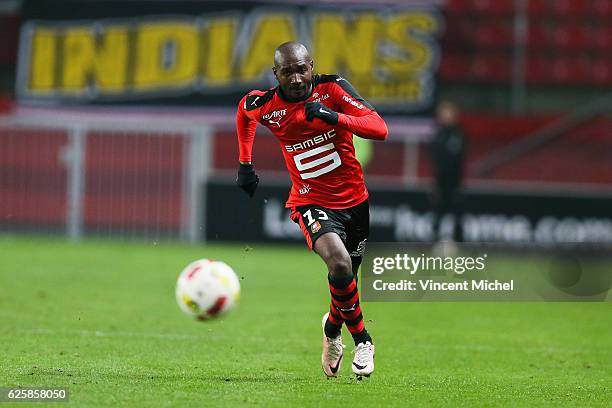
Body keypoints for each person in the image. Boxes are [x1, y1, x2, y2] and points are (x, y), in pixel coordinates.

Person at [235, 41, 388, 378]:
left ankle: (332, 331)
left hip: (355, 201)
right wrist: (245, 164)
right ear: (276, 74)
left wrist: (333, 116)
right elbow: (244, 111)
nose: (296, 78)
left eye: (301, 69)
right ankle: (363, 340)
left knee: (345, 279)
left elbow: (380, 128)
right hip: (310, 201)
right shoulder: (266, 105)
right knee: (339, 261)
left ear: (311, 67)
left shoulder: (332, 89)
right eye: (287, 71)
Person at [429, 100, 466, 244]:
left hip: (455, 182)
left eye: (447, 113)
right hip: (440, 182)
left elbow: (458, 158)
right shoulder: (438, 134)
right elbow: (435, 158)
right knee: (437, 214)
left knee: (457, 214)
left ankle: (459, 243)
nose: (444, 116)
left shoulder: (458, 134)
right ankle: (434, 243)